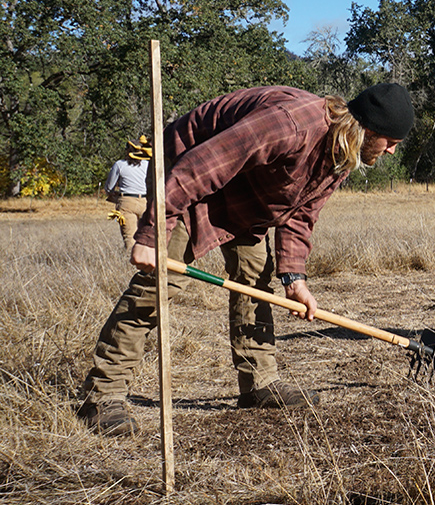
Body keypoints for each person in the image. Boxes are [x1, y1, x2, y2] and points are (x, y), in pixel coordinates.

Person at [76, 83, 414, 436]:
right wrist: (150, 233)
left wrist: (294, 278)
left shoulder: (344, 149)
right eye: (390, 142)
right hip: (183, 172)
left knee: (255, 279)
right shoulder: (290, 124)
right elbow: (202, 166)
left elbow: (301, 214)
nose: (391, 151)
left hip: (243, 191)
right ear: (368, 129)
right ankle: (102, 396)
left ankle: (260, 383)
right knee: (160, 283)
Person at [103, 137, 151, 250]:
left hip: (126, 202)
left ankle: (131, 263)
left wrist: (112, 195)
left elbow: (109, 187)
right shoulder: (148, 164)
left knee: (129, 237)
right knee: (147, 237)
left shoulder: (119, 165)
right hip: (146, 201)